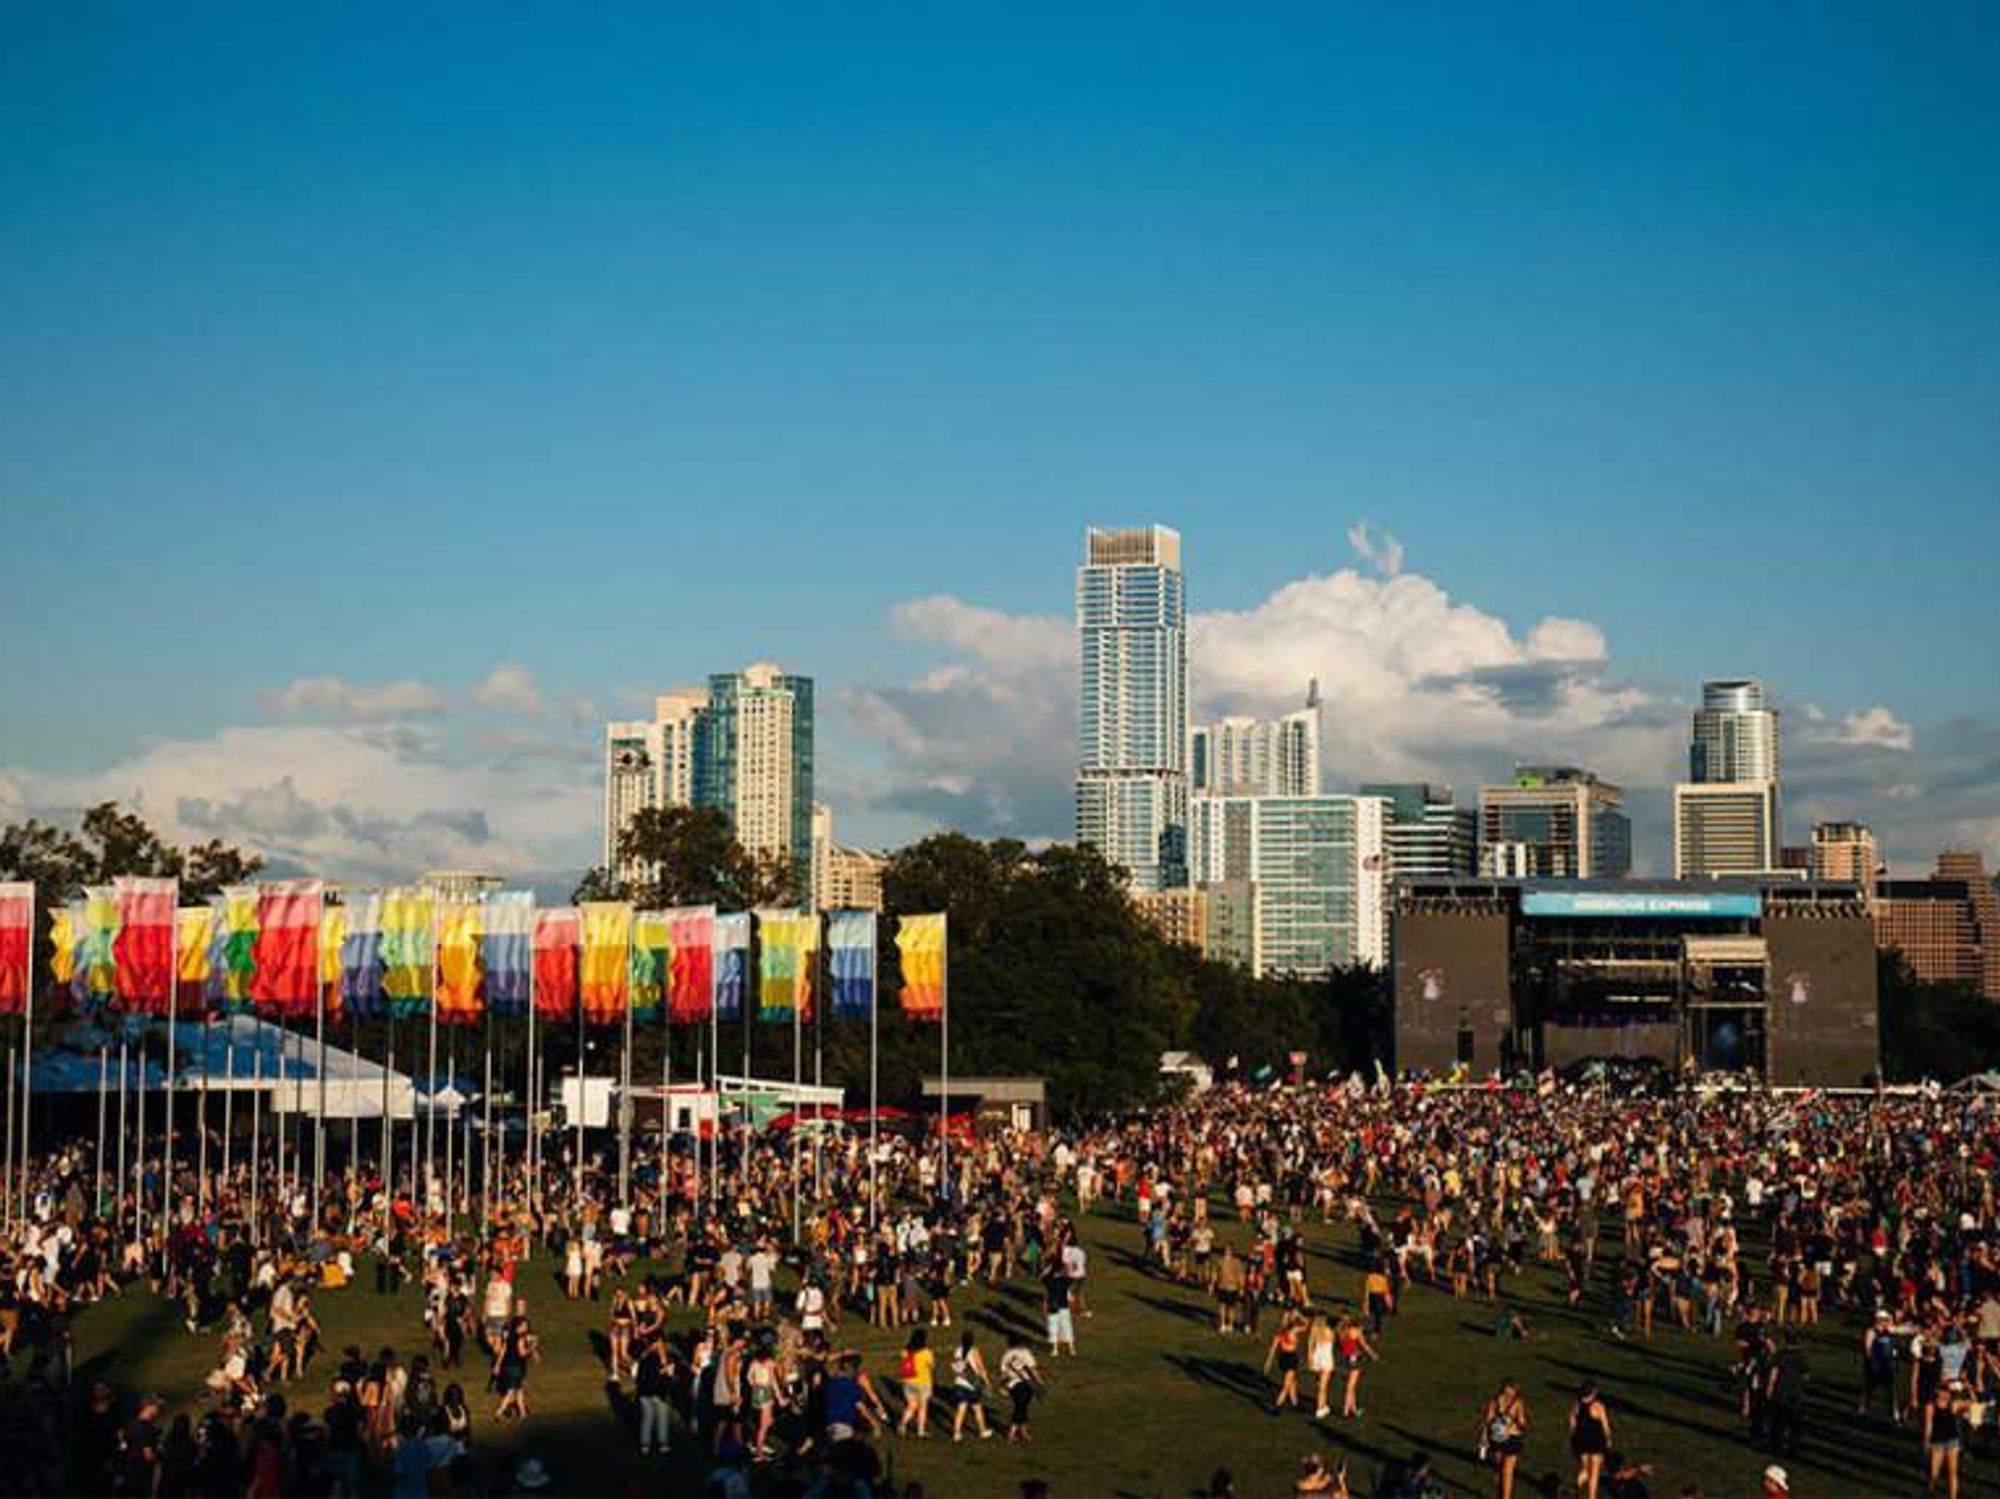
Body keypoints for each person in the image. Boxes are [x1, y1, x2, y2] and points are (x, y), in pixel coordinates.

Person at [1481, 1378, 1529, 1499]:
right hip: (1496, 1441)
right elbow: (1487, 1422)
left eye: (1511, 1394)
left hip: (1512, 1442)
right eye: (1506, 1393)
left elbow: (1523, 1424)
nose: (1508, 1396)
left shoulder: (1518, 1403)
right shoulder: (1494, 1402)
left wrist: (1515, 1428)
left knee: (1507, 1473)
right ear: (1502, 1390)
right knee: (1499, 1472)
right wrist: (1484, 1437)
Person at [948, 1329, 995, 1442]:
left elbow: (955, 1366)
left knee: (961, 1409)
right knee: (977, 1409)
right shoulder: (974, 1351)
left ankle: (957, 1433)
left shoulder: (957, 1350)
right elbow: (981, 1368)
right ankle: (982, 1431)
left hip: (959, 1383)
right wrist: (987, 1383)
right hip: (972, 1384)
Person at [635, 1331, 676, 1456]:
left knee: (647, 1419)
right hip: (658, 1393)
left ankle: (645, 1446)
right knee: (661, 1418)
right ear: (654, 1344)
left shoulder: (642, 1358)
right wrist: (667, 1373)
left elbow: (639, 1379)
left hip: (644, 1393)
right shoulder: (656, 1359)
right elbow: (659, 1378)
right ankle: (663, 1445)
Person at [1570, 1382, 1612, 1499]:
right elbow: (1605, 1425)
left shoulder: (1576, 1404)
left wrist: (1574, 1437)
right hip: (1596, 1442)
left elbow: (1572, 1423)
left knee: (1586, 1469)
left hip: (1580, 1441)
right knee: (1594, 1473)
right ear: (1593, 1393)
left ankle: (1575, 1487)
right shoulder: (1598, 1406)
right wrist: (1608, 1439)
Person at [1925, 1381, 1967, 1499]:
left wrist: (1967, 1389)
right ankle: (1931, 1493)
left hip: (1952, 1441)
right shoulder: (1931, 1406)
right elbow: (1928, 1426)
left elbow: (1973, 1402)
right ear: (1938, 1392)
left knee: (1952, 1474)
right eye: (1943, 1391)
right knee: (1933, 1474)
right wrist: (1926, 1443)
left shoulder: (1953, 1405)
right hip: (1937, 1442)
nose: (1945, 1394)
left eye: (1948, 1392)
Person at [999, 1332, 1041, 1443]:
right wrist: (1039, 1382)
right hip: (1025, 1384)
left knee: (1021, 1407)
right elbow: (1032, 1369)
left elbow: (1003, 1373)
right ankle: (1011, 1434)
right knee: (1020, 1408)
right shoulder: (1025, 1353)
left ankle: (1024, 1432)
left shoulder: (1006, 1354)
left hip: (1011, 1385)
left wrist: (1002, 1386)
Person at [896, 1328, 935, 1438]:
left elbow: (903, 1359)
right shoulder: (926, 1352)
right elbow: (932, 1366)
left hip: (908, 1382)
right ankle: (920, 1430)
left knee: (912, 1406)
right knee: (923, 1407)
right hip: (923, 1382)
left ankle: (902, 1425)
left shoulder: (906, 1351)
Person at [1265, 1310, 1305, 1413]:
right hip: (1291, 1358)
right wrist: (1299, 1315)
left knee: (1292, 1381)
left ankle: (1295, 1403)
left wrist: (1268, 1363)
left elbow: (1272, 1350)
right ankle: (1277, 1405)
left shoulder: (1279, 1334)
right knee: (1286, 1385)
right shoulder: (1294, 1330)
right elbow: (1307, 1325)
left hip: (1282, 1359)